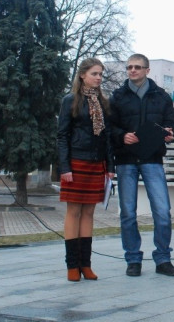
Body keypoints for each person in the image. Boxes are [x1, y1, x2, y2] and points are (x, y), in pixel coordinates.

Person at [109, 54, 174, 277]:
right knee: (128, 213)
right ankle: (133, 259)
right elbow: (109, 127)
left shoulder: (162, 97)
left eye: (137, 67)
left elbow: (171, 124)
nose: (132, 70)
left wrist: (171, 134)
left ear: (147, 70)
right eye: (129, 67)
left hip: (152, 159)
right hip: (126, 160)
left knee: (162, 211)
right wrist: (122, 136)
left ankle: (163, 259)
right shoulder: (117, 97)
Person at [57, 58, 115, 282]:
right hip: (76, 162)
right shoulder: (70, 100)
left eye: (100, 74)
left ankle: (86, 265)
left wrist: (110, 167)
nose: (99, 78)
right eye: (94, 73)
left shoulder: (103, 102)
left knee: (89, 212)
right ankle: (72, 266)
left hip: (96, 163)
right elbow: (62, 136)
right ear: (82, 75)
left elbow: (107, 137)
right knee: (74, 211)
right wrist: (65, 167)